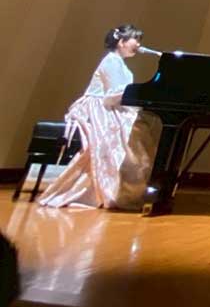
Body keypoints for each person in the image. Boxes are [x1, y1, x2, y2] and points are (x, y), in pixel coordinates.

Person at [38, 24, 161, 210]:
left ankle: (128, 190)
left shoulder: (119, 63)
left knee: (139, 132)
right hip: (99, 107)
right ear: (121, 42)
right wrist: (138, 94)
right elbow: (111, 96)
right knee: (130, 136)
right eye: (135, 39)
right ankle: (116, 192)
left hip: (112, 106)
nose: (138, 44)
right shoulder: (111, 61)